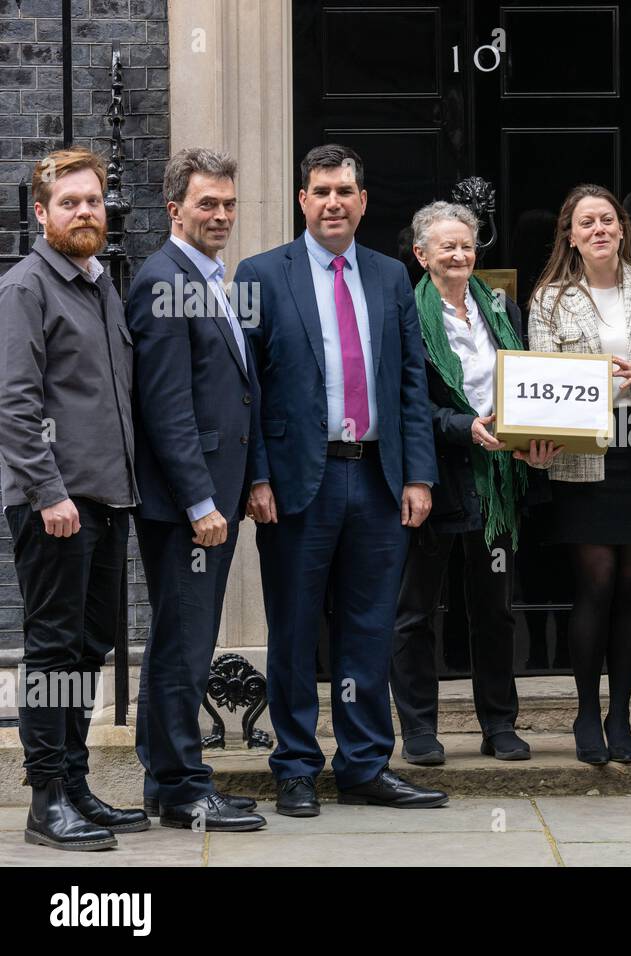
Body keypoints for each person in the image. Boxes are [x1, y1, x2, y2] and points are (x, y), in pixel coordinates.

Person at [236, 144, 446, 816]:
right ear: (302, 200)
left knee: (368, 630)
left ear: (362, 201)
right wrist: (256, 476)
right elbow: (245, 388)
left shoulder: (389, 278)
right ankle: (295, 766)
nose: (333, 202)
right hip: (300, 482)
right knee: (295, 631)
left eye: (345, 191)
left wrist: (419, 474)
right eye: (321, 191)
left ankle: (363, 765)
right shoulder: (260, 274)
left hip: (379, 482)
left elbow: (412, 380)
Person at [0, 147, 145, 850]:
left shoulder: (100, 285)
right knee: (53, 652)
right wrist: (48, 493)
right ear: (41, 213)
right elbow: (15, 404)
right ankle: (45, 799)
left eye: (93, 201)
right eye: (70, 203)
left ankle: (78, 784)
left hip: (107, 501)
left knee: (89, 647)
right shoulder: (27, 287)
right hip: (55, 507)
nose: (85, 212)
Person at [529, 184, 631, 765]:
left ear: (622, 229)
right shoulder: (549, 300)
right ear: (570, 235)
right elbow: (539, 386)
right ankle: (583, 712)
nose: (598, 229)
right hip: (583, 456)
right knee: (594, 583)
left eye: (607, 220)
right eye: (585, 222)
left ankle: (620, 715)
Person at [391, 201, 558, 766]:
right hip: (436, 478)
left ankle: (499, 724)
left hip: (497, 483)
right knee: (415, 610)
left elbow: (526, 382)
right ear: (422, 255)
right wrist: (464, 426)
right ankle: (418, 729)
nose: (460, 255)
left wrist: (535, 433)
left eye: (466, 245)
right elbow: (406, 404)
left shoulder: (500, 306)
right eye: (447, 247)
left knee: (494, 608)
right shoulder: (407, 315)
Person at [127, 148, 265, 832]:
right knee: (183, 644)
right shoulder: (163, 280)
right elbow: (166, 406)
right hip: (189, 509)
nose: (220, 215)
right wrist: (200, 502)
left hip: (216, 497)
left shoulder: (214, 278)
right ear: (174, 207)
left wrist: (249, 481)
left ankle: (169, 779)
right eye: (206, 203)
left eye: (229, 204)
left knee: (185, 639)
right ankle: (182, 788)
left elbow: (236, 391)